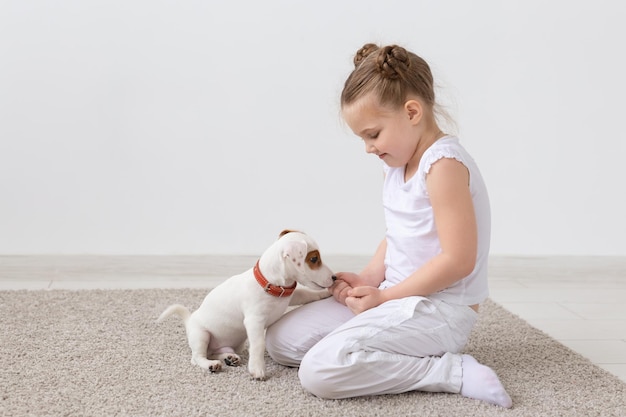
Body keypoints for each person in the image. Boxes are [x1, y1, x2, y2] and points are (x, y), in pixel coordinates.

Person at [265, 43, 512, 408]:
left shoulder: (443, 166)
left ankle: (450, 372)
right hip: (395, 297)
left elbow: (459, 260)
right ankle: (367, 350)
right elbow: (398, 234)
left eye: (373, 134)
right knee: (279, 341)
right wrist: (369, 279)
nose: (368, 147)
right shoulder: (397, 164)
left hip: (439, 311)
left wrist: (384, 298)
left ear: (412, 112)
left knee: (318, 370)